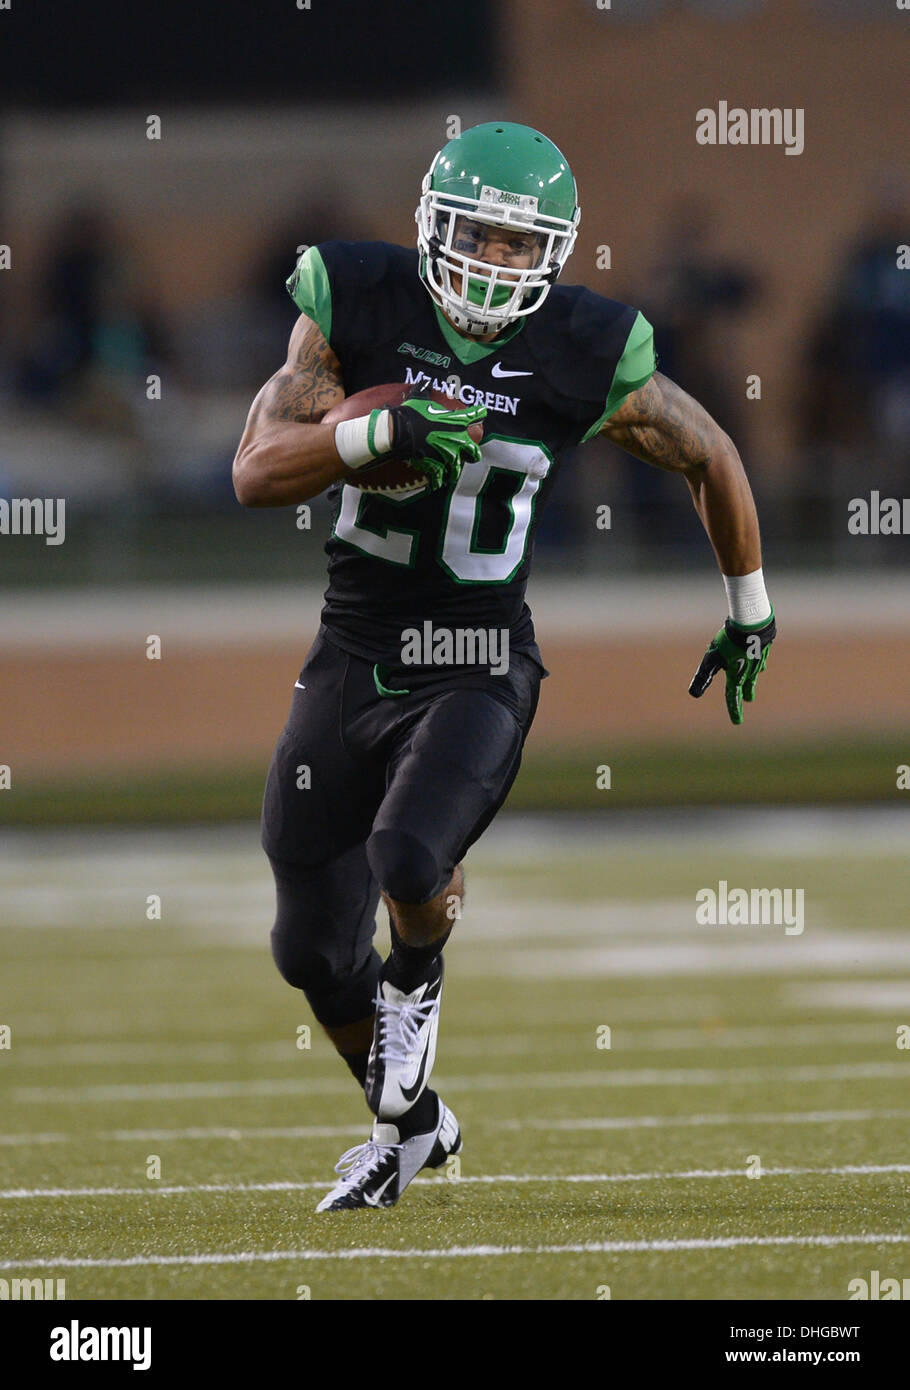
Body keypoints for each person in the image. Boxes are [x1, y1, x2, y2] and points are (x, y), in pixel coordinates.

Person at [232, 122, 776, 1210]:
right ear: (433, 223)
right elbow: (253, 472)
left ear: (557, 255)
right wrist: (366, 440)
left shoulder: (581, 347)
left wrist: (747, 604)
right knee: (306, 945)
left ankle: (418, 986)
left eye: (523, 246)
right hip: (351, 649)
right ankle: (413, 1126)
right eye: (479, 234)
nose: (497, 261)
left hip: (478, 654)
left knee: (407, 851)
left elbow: (708, 449)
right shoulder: (356, 302)